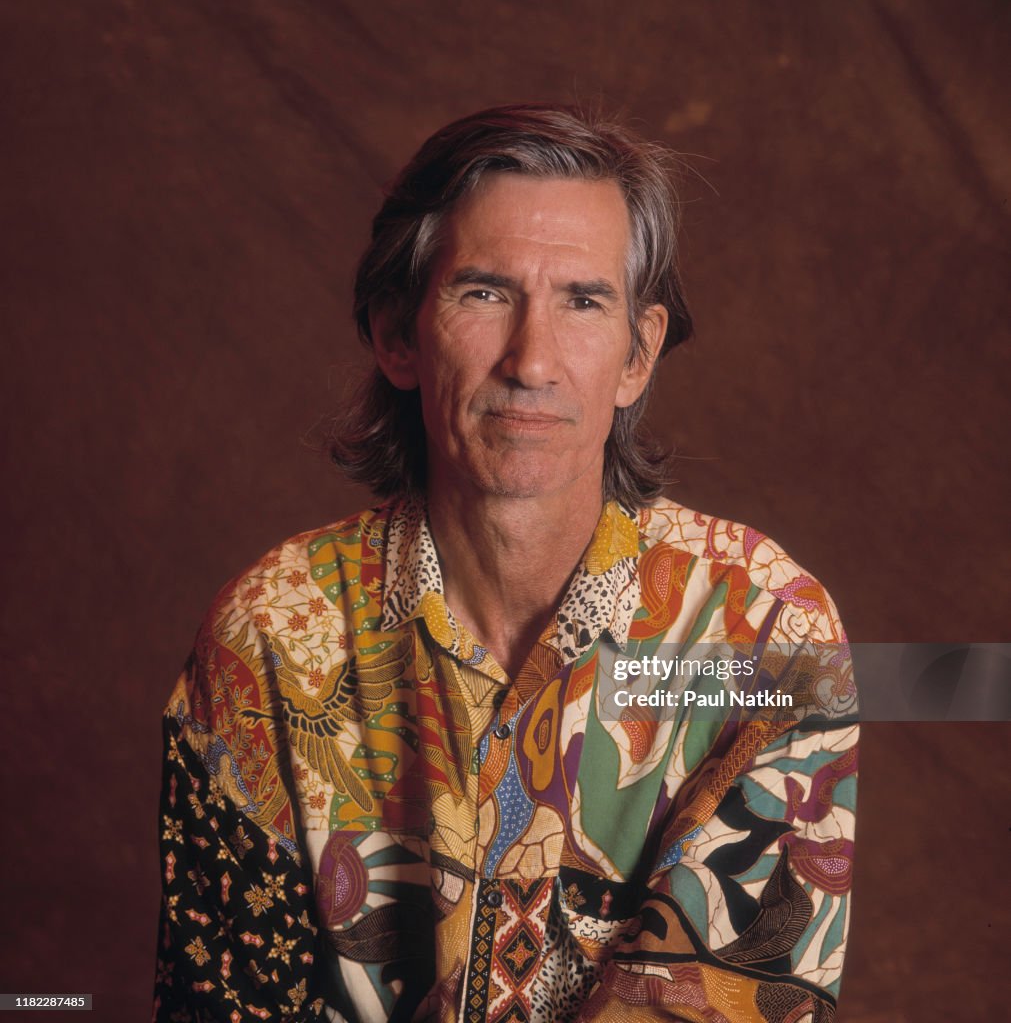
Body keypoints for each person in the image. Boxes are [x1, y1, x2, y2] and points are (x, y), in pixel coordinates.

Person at [153, 104, 857, 1023]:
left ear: (638, 354)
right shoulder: (272, 639)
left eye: (583, 300)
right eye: (483, 292)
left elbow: (733, 1003)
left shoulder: (768, 636)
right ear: (397, 336)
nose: (532, 361)